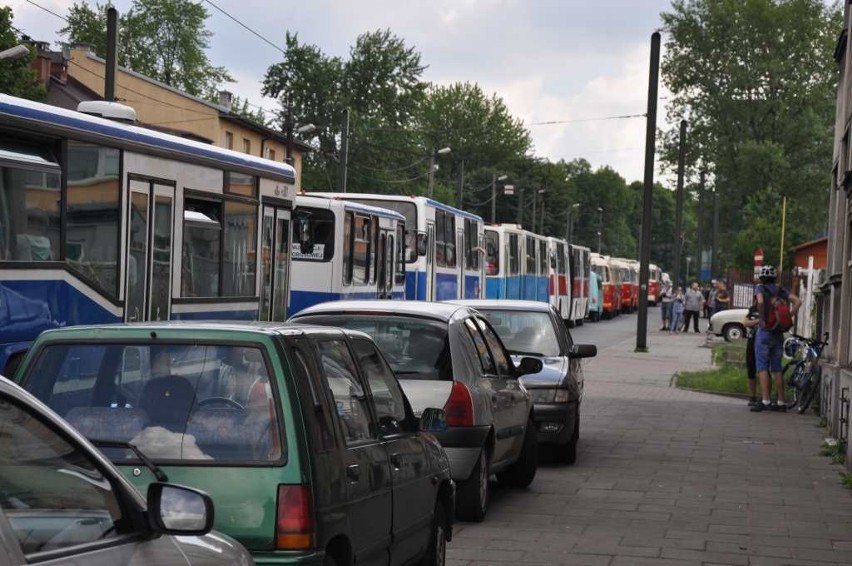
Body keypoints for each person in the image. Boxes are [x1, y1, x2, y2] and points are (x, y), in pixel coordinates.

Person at [751, 265, 801, 413]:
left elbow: (759, 302)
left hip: (765, 331)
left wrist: (762, 318)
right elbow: (798, 301)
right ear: (774, 277)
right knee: (777, 368)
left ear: (761, 277)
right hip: (778, 333)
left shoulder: (760, 289)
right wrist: (788, 316)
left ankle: (765, 400)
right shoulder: (780, 290)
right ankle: (780, 402)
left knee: (762, 367)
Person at [743, 299, 761, 407]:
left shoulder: (769, 309)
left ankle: (764, 397)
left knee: (763, 370)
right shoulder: (753, 309)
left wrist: (753, 322)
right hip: (751, 341)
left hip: (762, 343)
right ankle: (752, 396)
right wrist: (758, 321)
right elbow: (745, 322)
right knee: (751, 369)